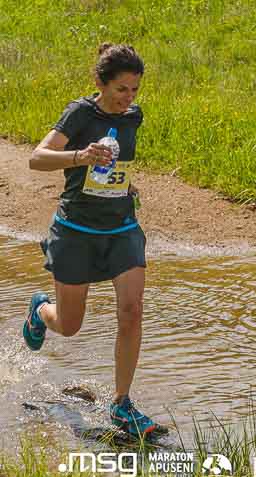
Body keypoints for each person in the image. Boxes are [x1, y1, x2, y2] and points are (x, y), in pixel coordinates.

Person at [22, 43, 168, 438]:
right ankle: (40, 311)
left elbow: (116, 164)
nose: (129, 97)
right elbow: (37, 158)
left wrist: (124, 183)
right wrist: (80, 156)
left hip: (121, 227)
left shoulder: (133, 116)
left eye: (135, 89)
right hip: (77, 230)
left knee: (132, 310)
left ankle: (121, 403)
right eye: (121, 89)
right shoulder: (80, 113)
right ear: (101, 84)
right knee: (69, 325)